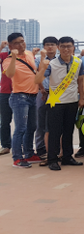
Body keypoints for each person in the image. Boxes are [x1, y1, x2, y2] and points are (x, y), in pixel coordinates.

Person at [35, 36, 84, 171]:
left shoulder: (78, 62)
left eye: (69, 46)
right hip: (55, 102)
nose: (66, 49)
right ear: (58, 48)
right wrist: (42, 67)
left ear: (73, 47)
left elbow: (80, 81)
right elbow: (37, 80)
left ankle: (67, 157)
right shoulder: (52, 64)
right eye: (63, 46)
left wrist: (81, 98)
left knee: (69, 131)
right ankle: (52, 159)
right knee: (54, 132)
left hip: (72, 101)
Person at [3, 33, 41, 168]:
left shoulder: (29, 54)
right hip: (20, 97)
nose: (21, 45)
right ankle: (17, 158)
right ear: (10, 46)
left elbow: (34, 71)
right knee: (20, 129)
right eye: (17, 43)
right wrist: (14, 57)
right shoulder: (8, 60)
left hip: (33, 96)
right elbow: (10, 74)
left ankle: (29, 153)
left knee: (32, 127)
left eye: (22, 41)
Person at [34, 36, 59, 161]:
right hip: (42, 92)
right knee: (41, 122)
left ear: (57, 47)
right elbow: (36, 75)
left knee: (56, 123)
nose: (50, 47)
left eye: (52, 44)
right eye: (47, 44)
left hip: (57, 94)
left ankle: (55, 149)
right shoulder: (38, 60)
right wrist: (42, 89)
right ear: (43, 46)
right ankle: (40, 149)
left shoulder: (59, 60)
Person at [0, 40, 13, 156]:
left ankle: (22, 145)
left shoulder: (27, 56)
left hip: (22, 92)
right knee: (4, 121)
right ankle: (6, 145)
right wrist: (1, 47)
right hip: (5, 92)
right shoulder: (4, 56)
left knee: (24, 123)